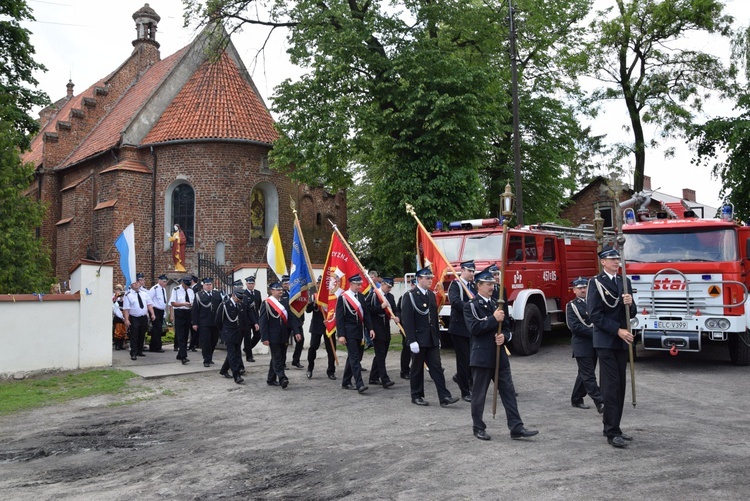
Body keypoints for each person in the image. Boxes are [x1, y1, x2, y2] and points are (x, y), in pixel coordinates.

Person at [463, 267, 538, 441]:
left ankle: (516, 427)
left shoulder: (498, 305)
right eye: (488, 284)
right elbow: (474, 328)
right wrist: (492, 319)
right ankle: (478, 427)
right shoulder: (471, 306)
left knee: (508, 392)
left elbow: (507, 328)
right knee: (479, 394)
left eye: (493, 283)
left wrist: (504, 336)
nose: (492, 287)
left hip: (499, 356)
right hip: (482, 356)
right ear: (478, 285)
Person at [587, 246, 637, 448]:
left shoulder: (624, 282)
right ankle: (611, 431)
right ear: (603, 262)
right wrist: (618, 330)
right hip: (606, 341)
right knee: (610, 386)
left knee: (621, 387)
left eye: (617, 258)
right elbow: (594, 314)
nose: (616, 262)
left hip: (622, 341)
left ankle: (616, 426)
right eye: (612, 259)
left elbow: (631, 313)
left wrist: (630, 303)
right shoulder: (596, 283)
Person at [401, 267, 458, 407]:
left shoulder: (431, 295)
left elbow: (433, 319)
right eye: (427, 278)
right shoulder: (410, 296)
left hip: (431, 338)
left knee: (437, 368)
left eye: (431, 278)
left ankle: (444, 396)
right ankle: (416, 395)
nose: (430, 280)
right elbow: (407, 320)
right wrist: (412, 340)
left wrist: (437, 338)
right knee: (417, 368)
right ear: (419, 279)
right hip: (418, 339)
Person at [567, 277, 604, 413]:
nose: (583, 290)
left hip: (595, 344)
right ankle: (600, 401)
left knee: (584, 373)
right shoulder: (572, 306)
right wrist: (597, 333)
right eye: (579, 288)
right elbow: (575, 327)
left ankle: (576, 398)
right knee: (589, 375)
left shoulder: (594, 302)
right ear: (574, 290)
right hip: (581, 345)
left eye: (584, 287)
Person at [336, 273, 374, 393]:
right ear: (351, 284)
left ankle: (346, 381)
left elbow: (366, 315)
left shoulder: (361, 297)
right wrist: (341, 335)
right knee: (354, 358)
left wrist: (370, 328)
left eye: (360, 284)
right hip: (348, 332)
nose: (359, 287)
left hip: (359, 331)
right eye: (357, 284)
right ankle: (359, 384)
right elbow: (340, 318)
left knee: (355, 357)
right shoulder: (343, 298)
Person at [260, 281, 302, 389]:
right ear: (272, 291)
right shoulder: (266, 303)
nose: (280, 291)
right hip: (272, 336)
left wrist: (296, 331)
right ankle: (283, 378)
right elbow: (263, 322)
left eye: (281, 290)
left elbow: (291, 318)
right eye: (278, 290)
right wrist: (264, 338)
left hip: (284, 335)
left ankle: (271, 379)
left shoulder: (285, 302)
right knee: (277, 357)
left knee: (279, 357)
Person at [448, 260, 477, 402]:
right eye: (470, 271)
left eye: (473, 271)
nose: (472, 273)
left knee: (472, 358)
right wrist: (470, 307)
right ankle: (465, 391)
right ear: (462, 270)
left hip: (471, 328)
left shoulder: (472, 286)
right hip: (459, 328)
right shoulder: (456, 285)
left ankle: (462, 378)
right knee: (463, 360)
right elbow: (455, 302)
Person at [366, 276, 399, 388]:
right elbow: (368, 310)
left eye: (390, 287)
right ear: (383, 284)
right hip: (376, 327)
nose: (389, 289)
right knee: (380, 354)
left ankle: (373, 377)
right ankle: (384, 379)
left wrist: (397, 317)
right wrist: (381, 306)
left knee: (382, 354)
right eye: (388, 287)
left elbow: (395, 309)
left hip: (386, 328)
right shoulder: (374, 294)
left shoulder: (390, 296)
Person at [306, 276, 337, 380]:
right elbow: (308, 310)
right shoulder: (314, 296)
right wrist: (314, 303)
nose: (320, 285)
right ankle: (310, 368)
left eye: (322, 283)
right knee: (313, 347)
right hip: (317, 325)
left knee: (331, 349)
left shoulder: (332, 296)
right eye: (319, 283)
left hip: (329, 324)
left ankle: (331, 371)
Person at [191, 277, 223, 367]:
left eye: (210, 284)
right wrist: (195, 323)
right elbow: (195, 310)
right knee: (206, 341)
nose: (208, 286)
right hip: (204, 322)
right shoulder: (199, 295)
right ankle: (206, 359)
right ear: (203, 285)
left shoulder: (217, 294)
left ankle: (210, 356)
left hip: (215, 322)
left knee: (214, 340)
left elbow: (221, 308)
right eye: (206, 285)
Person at [217, 287, 246, 384]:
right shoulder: (224, 305)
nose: (239, 300)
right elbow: (218, 321)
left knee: (236, 353)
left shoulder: (240, 305)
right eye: (238, 298)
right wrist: (223, 332)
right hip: (228, 332)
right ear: (233, 295)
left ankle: (224, 370)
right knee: (232, 354)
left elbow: (242, 319)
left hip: (238, 332)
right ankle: (236, 375)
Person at [122, 278, 155, 361]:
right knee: (134, 335)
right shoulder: (128, 295)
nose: (136, 284)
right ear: (131, 285)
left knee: (142, 334)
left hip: (143, 317)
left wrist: (152, 314)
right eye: (134, 283)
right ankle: (133, 353)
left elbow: (149, 304)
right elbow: (126, 308)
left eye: (137, 282)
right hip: (134, 317)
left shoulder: (144, 293)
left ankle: (140, 350)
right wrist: (126, 319)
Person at [170, 276, 194, 364]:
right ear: (183, 282)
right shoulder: (176, 290)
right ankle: (183, 356)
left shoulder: (191, 290)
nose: (187, 286)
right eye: (186, 284)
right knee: (180, 335)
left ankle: (180, 354)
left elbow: (193, 301)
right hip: (179, 312)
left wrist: (191, 305)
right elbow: (173, 303)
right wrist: (182, 304)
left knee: (185, 334)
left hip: (188, 312)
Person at [397, 278, 415, 380]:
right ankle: (404, 371)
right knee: (407, 349)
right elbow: (399, 311)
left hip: (419, 328)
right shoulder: (405, 297)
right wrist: (399, 320)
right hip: (407, 327)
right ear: (412, 285)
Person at [242, 276, 262, 362]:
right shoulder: (243, 294)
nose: (251, 285)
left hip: (256, 318)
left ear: (254, 284)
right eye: (249, 283)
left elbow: (259, 306)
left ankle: (247, 348)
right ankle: (249, 356)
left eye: (252, 283)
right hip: (247, 319)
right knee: (247, 337)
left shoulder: (257, 293)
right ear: (246, 284)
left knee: (258, 335)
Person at [148, 274, 169, 353]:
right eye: (164, 282)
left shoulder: (163, 289)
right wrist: (151, 312)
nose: (165, 283)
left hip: (161, 311)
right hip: (155, 310)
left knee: (158, 329)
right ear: (159, 281)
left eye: (166, 282)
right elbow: (149, 300)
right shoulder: (155, 289)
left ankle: (154, 345)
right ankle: (156, 346)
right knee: (157, 329)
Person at [112, 284, 127, 350]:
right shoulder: (114, 298)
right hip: (118, 316)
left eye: (119, 290)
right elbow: (115, 307)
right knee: (118, 330)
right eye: (116, 290)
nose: (118, 291)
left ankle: (121, 344)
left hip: (124, 315)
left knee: (123, 331)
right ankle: (117, 345)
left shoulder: (124, 298)